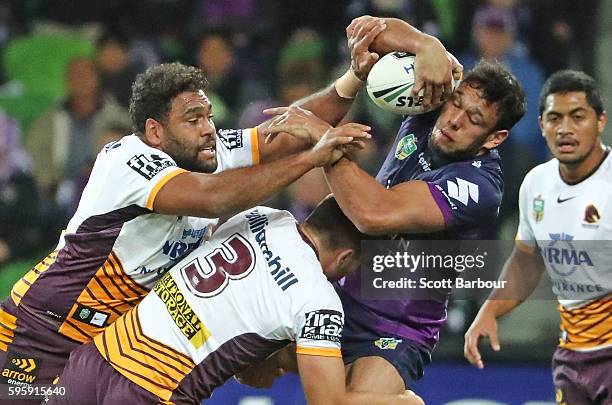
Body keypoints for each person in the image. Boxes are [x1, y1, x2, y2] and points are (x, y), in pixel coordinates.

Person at [0, 62, 370, 398]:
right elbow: (211, 199)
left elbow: (286, 132)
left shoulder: (207, 155)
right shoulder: (128, 161)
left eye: (208, 116)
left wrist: (353, 77)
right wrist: (310, 159)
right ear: (155, 132)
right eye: (193, 120)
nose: (209, 129)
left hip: (108, 343)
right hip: (40, 330)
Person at [256, 15, 526, 399]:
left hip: (394, 327)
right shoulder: (435, 103)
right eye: (457, 103)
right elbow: (366, 29)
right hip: (333, 293)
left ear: (494, 138)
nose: (454, 119)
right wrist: (427, 46)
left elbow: (374, 214)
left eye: (474, 119)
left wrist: (324, 141)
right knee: (249, 361)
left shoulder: (480, 186)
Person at [48, 198, 423, 405]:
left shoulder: (261, 215)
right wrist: (404, 403)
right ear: (344, 259)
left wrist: (266, 361)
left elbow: (234, 320)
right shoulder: (319, 301)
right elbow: (327, 403)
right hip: (152, 390)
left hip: (97, 358)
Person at [464, 70, 611, 404]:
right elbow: (528, 260)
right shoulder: (536, 184)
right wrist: (490, 310)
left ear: (600, 121)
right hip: (573, 355)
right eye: (555, 118)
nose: (565, 129)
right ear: (542, 124)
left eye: (578, 117)